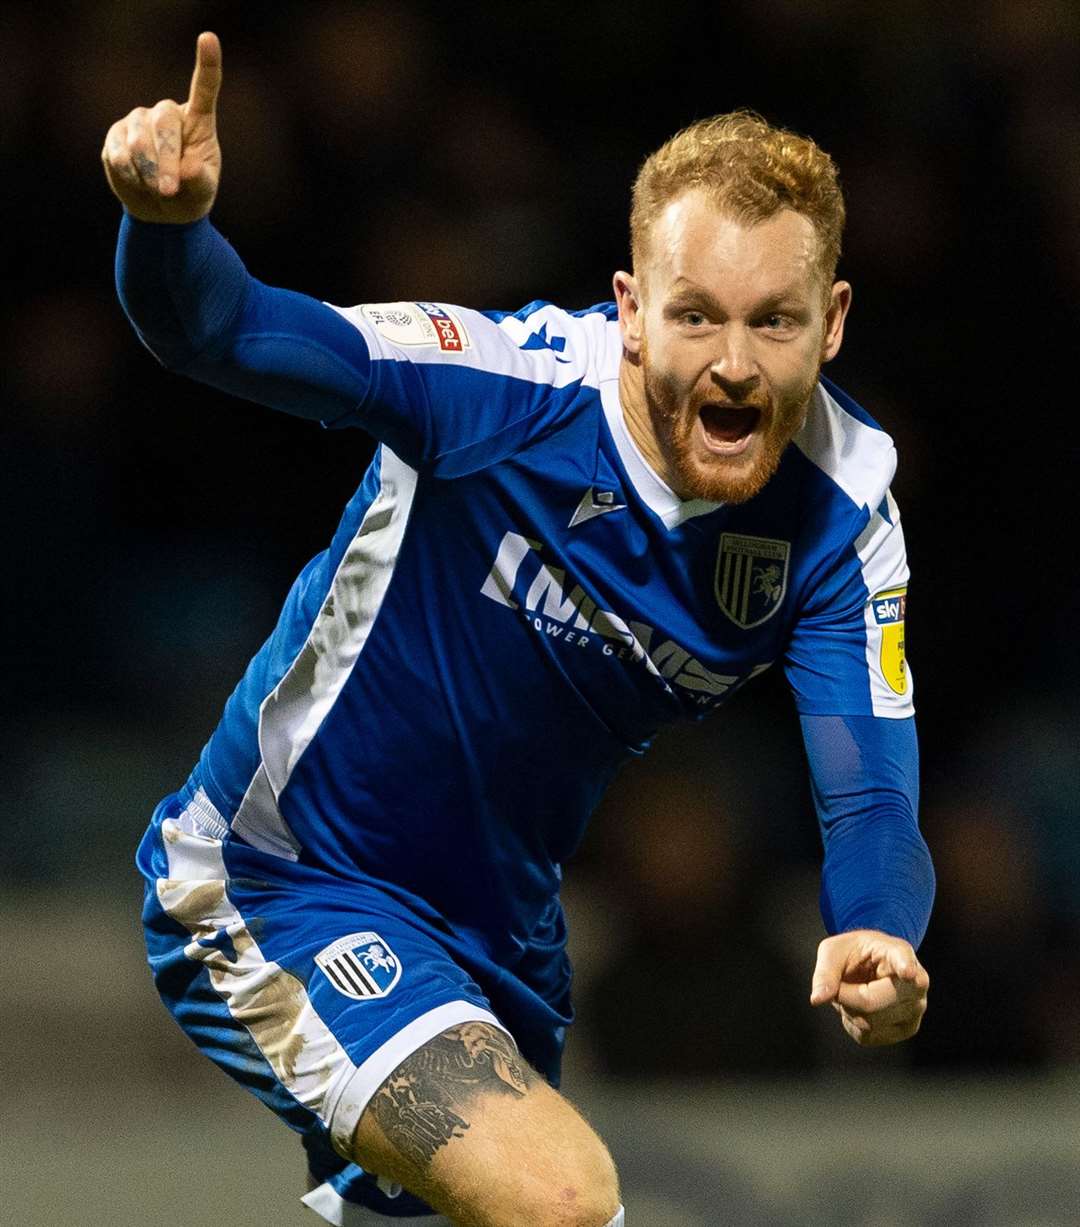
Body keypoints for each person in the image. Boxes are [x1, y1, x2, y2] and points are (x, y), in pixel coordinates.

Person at [103, 31, 934, 1227]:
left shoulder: (845, 520)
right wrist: (166, 226)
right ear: (632, 310)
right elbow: (222, 331)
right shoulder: (502, 388)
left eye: (776, 322)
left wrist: (876, 931)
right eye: (697, 318)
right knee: (561, 1197)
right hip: (284, 879)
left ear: (834, 323)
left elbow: (870, 800)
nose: (738, 367)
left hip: (504, 953)